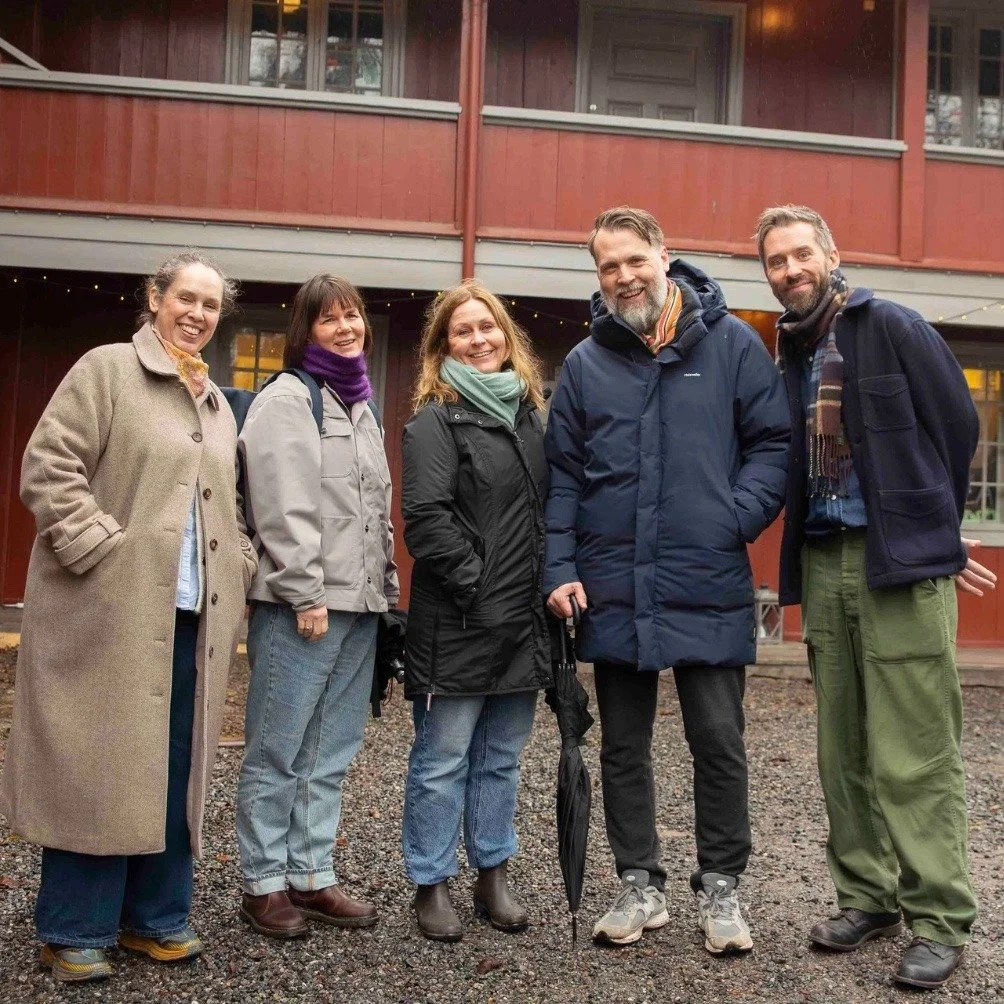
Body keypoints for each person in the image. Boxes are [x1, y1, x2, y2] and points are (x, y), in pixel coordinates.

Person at [0, 250, 257, 983]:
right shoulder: (106, 369)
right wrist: (103, 551)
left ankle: (155, 918)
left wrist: (237, 564)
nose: (198, 314)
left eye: (211, 305)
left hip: (189, 621)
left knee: (174, 768)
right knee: (99, 762)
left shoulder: (213, 402)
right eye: (186, 297)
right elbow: (49, 466)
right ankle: (74, 928)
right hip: (107, 611)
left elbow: (229, 506)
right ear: (155, 298)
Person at [755, 204, 993, 990]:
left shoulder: (889, 324)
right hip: (826, 560)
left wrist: (932, 530)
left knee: (914, 754)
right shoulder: (790, 350)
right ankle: (868, 895)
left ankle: (939, 916)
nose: (790, 270)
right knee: (843, 749)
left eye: (799, 254)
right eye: (775, 262)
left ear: (829, 254)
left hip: (899, 566)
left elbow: (957, 426)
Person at [544, 206, 790, 953]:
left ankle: (722, 889)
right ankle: (638, 883)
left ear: (664, 255)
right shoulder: (588, 364)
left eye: (633, 261)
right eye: (607, 267)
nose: (623, 277)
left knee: (718, 739)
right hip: (613, 580)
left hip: (706, 573)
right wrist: (559, 566)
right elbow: (562, 476)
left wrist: (732, 518)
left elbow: (773, 443)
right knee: (623, 743)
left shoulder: (733, 346)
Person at [235, 274, 399, 938]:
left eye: (355, 315)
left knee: (331, 749)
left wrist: (384, 592)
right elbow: (282, 504)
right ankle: (262, 884)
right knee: (279, 749)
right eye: (331, 319)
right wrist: (304, 592)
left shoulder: (358, 404)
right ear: (305, 330)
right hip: (304, 607)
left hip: (358, 608)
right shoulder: (287, 400)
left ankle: (310, 875)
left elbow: (373, 513)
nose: (348, 327)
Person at [400, 280, 552, 943]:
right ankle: (431, 882)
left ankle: (493, 872)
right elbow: (426, 522)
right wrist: (480, 587)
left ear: (505, 336)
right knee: (442, 760)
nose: (478, 339)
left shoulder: (530, 419)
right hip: (457, 623)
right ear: (443, 347)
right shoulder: (435, 420)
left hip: (522, 624)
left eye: (487, 327)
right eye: (462, 331)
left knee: (500, 760)